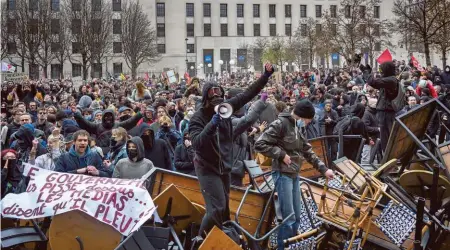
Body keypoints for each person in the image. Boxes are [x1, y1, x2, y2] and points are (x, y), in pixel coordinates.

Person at [189, 63, 274, 238]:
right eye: (214, 100)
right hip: (206, 168)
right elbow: (197, 143)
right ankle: (198, 241)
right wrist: (213, 124)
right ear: (206, 99)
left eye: (220, 100)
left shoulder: (227, 107)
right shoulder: (197, 118)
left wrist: (266, 75)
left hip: (224, 166)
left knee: (224, 209)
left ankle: (218, 239)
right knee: (216, 208)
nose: (219, 104)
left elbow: (247, 94)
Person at [254, 99, 334, 250]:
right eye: (308, 121)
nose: (309, 124)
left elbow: (307, 151)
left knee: (296, 216)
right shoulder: (280, 124)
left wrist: (324, 169)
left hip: (294, 175)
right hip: (282, 174)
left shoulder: (299, 128)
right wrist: (281, 154)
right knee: (288, 218)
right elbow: (259, 144)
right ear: (302, 117)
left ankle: (291, 246)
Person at [367, 61, 399, 152]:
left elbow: (372, 82)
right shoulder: (390, 80)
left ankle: (387, 154)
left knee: (386, 136)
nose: (381, 72)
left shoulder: (391, 80)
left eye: (382, 70)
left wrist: (368, 72)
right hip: (385, 111)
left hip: (386, 112)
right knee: (385, 135)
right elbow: (376, 83)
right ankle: (387, 153)